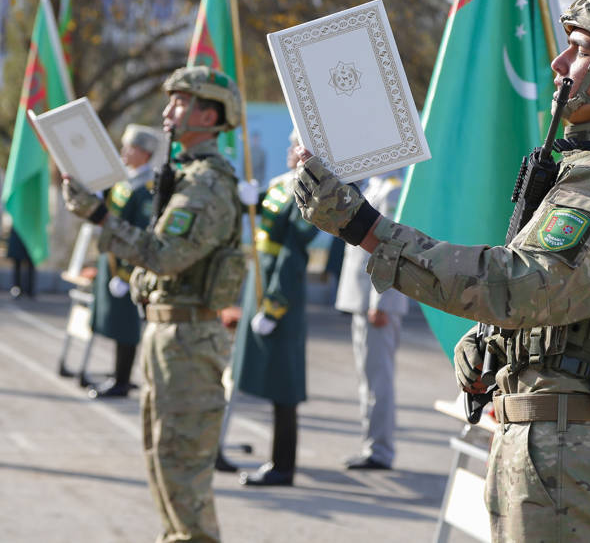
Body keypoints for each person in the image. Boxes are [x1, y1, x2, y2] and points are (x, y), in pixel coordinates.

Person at [293, 0, 590, 541]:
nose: (560, 64)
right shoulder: (589, 168)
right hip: (549, 445)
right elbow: (558, 307)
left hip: (567, 457)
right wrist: (499, 344)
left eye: (579, 50)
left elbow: (525, 287)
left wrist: (364, 227)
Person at [62, 65, 245, 543]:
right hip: (168, 336)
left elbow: (164, 256)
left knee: (184, 477)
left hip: (189, 340)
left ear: (209, 113)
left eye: (180, 102)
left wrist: (100, 216)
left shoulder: (206, 183)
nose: (168, 112)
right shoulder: (185, 174)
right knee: (163, 467)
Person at [233, 133, 318, 487]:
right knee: (267, 377)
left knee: (284, 384)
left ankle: (283, 466)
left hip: (279, 292)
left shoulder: (313, 193)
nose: (288, 149)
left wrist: (274, 306)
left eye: (296, 144)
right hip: (259, 280)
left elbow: (293, 253)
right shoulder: (284, 183)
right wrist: (250, 201)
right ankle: (276, 461)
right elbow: (266, 219)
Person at [335, 172, 409, 470]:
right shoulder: (375, 185)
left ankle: (379, 451)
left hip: (376, 303)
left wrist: (381, 301)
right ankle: (373, 445)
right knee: (369, 379)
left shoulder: (392, 190)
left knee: (378, 380)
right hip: (364, 301)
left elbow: (390, 248)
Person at [87, 124, 161, 399]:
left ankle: (122, 380)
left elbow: (141, 234)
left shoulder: (147, 189)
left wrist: (128, 274)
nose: (123, 152)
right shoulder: (125, 180)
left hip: (127, 268)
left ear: (144, 153)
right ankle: (118, 374)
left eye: (129, 147)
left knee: (127, 326)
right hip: (112, 259)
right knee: (115, 322)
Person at [6, 226, 35, 298]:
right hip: (19, 232)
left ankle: (29, 290)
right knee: (17, 263)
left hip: (30, 234)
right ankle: (17, 288)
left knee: (30, 263)